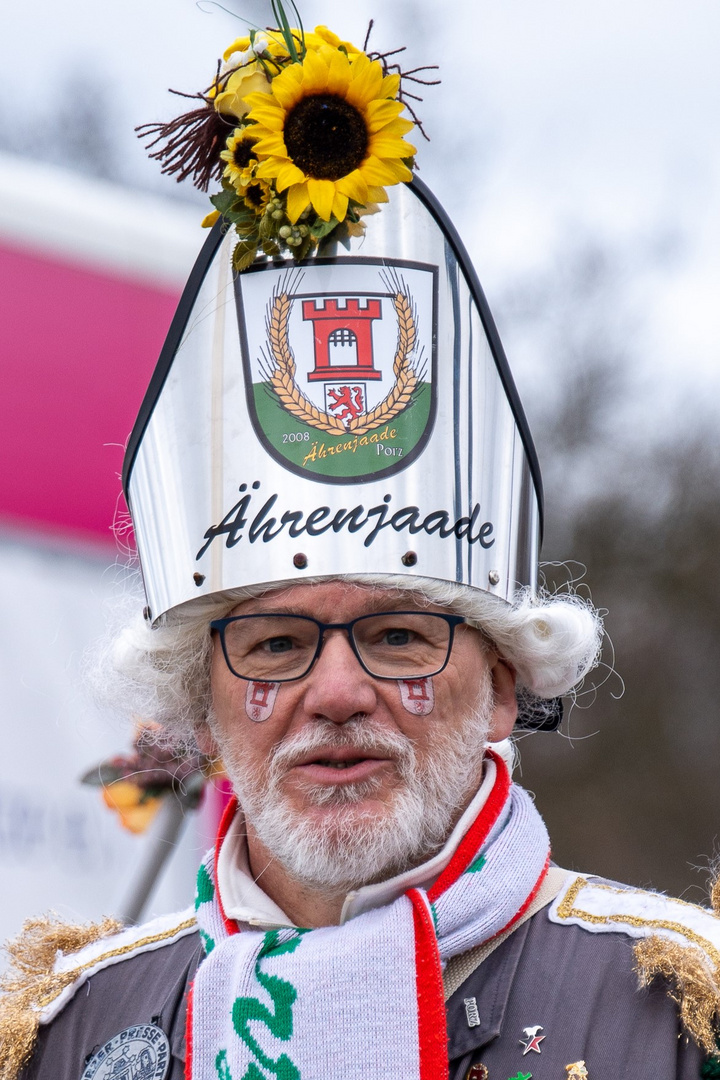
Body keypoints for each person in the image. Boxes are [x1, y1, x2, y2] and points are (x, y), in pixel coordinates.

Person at [3, 12, 720, 1080]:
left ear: (505, 687)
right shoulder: (69, 1035)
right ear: (203, 706)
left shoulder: (680, 1018)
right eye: (278, 643)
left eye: (396, 634)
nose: (335, 691)